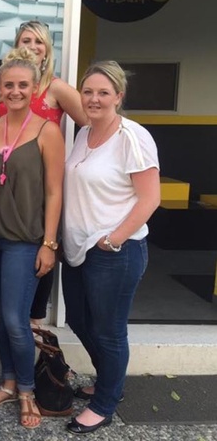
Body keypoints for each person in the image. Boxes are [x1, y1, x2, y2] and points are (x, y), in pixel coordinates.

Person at [62, 61, 160, 435]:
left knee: (108, 331)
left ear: (119, 96)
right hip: (79, 249)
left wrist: (113, 239)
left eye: (103, 92)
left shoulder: (132, 137)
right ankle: (109, 381)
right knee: (78, 319)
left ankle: (104, 403)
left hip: (115, 252)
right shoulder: (84, 134)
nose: (94, 99)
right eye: (88, 92)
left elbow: (150, 198)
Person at [0, 47, 65, 429]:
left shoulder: (48, 132)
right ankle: (9, 383)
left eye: (22, 85)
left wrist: (49, 243)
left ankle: (27, 390)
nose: (14, 91)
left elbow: (54, 192)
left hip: (24, 241)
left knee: (16, 319)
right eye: (8, 85)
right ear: (0, 87)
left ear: (34, 88)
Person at [0, 20, 86, 326]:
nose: (32, 46)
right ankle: (10, 319)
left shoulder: (55, 87)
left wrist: (82, 162)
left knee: (42, 249)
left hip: (43, 184)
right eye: (26, 40)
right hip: (7, 186)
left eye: (39, 42)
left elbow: (92, 120)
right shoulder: (9, 86)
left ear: (47, 50)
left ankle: (34, 320)